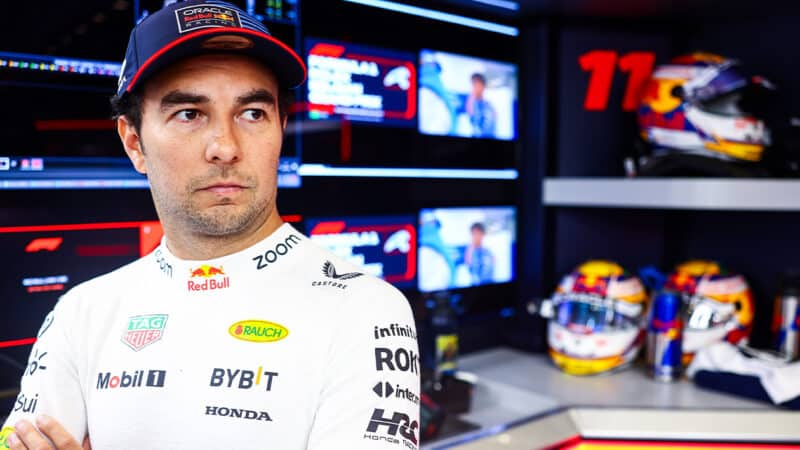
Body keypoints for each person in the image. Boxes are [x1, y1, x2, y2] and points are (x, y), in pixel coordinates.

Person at [0, 1, 419, 449]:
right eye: (189, 114)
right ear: (134, 143)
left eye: (252, 113)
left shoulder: (365, 309)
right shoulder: (79, 313)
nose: (225, 147)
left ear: (281, 128)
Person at [464, 73, 496, 138]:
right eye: (473, 84)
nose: (473, 87)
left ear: (483, 86)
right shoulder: (470, 102)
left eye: (476, 84)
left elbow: (492, 124)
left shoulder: (489, 106)